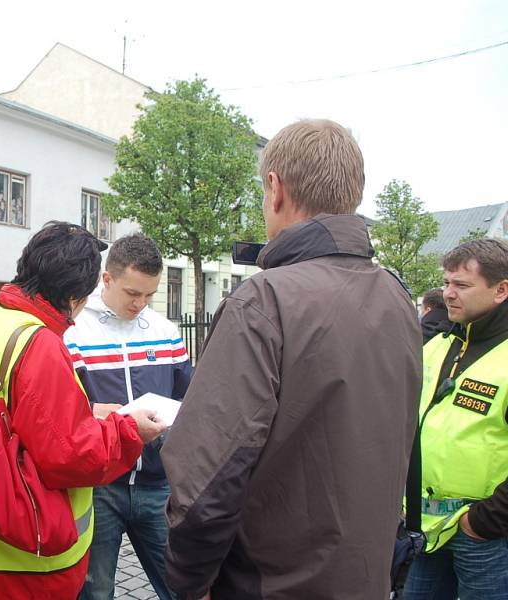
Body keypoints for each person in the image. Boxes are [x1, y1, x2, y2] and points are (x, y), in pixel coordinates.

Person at [162, 119, 423, 599]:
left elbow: (209, 479)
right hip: (365, 577)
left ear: (275, 189)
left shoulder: (263, 300)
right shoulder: (396, 297)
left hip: (269, 582)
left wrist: (188, 583)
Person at [0, 221, 168, 600]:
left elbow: (19, 419)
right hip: (23, 557)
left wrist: (86, 419)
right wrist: (129, 430)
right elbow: (71, 457)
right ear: (73, 297)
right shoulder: (40, 343)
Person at [64, 233, 192, 600]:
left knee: (180, 585)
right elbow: (60, 410)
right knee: (96, 590)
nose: (141, 304)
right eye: (133, 293)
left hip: (156, 483)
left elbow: (188, 397)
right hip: (100, 485)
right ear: (107, 279)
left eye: (150, 295)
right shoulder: (73, 333)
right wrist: (94, 415)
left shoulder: (165, 332)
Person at [403, 239, 508, 599]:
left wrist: (483, 522)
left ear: (501, 289)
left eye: (461, 285)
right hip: (426, 529)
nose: (448, 294)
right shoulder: (437, 346)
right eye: (446, 283)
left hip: (485, 536)